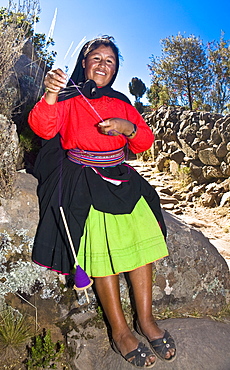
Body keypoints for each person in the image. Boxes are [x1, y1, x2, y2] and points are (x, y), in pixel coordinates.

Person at [28, 36, 176, 368]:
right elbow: (43, 127)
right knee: (102, 254)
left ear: (116, 69)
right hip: (84, 178)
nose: (102, 65)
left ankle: (147, 320)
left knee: (141, 243)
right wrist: (51, 93)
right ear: (84, 63)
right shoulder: (67, 97)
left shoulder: (123, 101)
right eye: (96, 58)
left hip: (120, 176)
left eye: (110, 61)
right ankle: (121, 330)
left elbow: (144, 142)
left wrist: (128, 127)